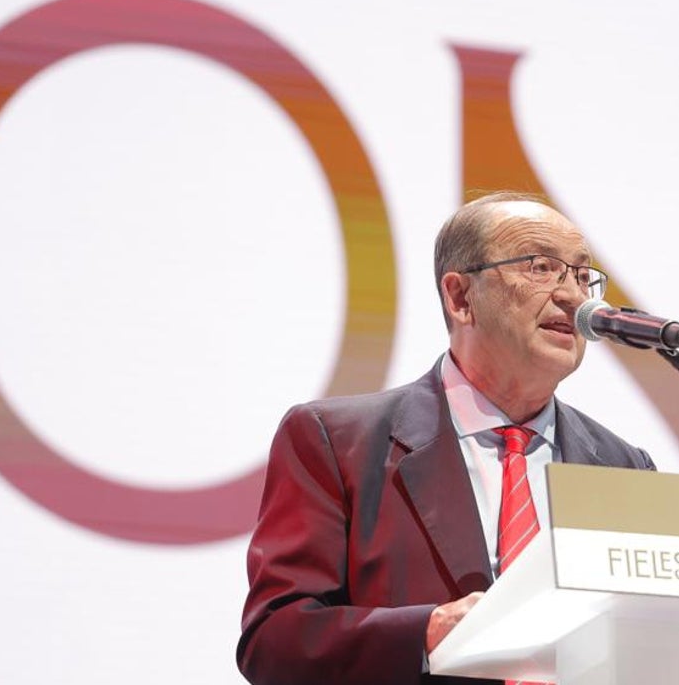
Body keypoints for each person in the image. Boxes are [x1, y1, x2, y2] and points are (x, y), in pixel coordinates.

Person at [236, 192, 656, 685]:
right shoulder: (337, 443)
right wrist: (428, 632)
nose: (574, 297)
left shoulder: (623, 468)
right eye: (542, 268)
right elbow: (275, 639)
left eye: (583, 276)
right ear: (460, 298)